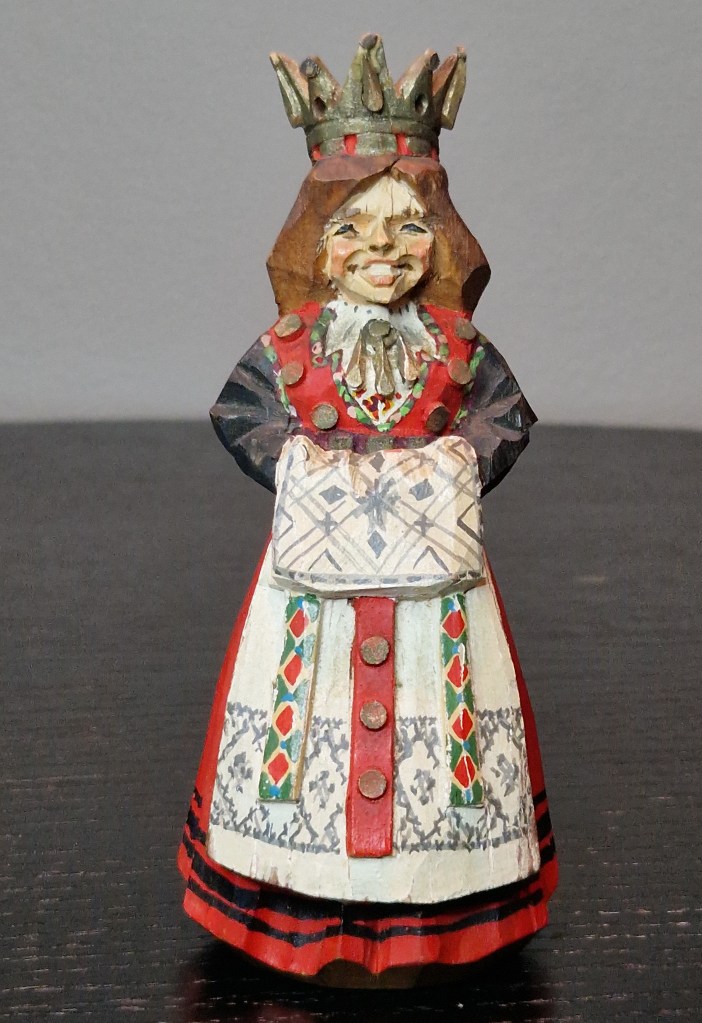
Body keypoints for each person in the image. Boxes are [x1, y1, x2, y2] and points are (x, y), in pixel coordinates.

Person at [178, 35, 557, 982]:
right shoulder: (290, 343)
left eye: (407, 228)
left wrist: (446, 470)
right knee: (302, 735)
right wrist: (311, 472)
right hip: (311, 602)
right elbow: (241, 413)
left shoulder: (457, 347)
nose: (382, 252)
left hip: (439, 601)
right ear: (317, 243)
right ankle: (294, 888)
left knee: (450, 729)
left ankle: (443, 903)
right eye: (354, 229)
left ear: (441, 240)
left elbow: (506, 419)